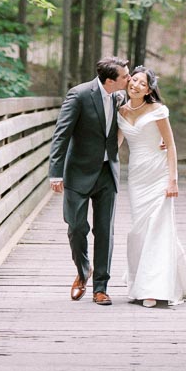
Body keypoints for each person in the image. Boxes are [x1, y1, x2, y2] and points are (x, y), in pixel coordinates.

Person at [117, 67, 186, 308]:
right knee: (139, 230)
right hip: (137, 175)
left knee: (159, 227)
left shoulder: (157, 111)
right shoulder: (120, 110)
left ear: (149, 90)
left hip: (159, 173)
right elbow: (115, 143)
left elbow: (172, 145)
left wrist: (172, 180)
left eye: (142, 84)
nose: (135, 85)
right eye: (133, 80)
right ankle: (142, 281)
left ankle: (152, 289)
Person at [49, 57, 130, 305]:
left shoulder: (121, 98)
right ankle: (83, 271)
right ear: (110, 80)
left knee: (105, 231)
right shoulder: (80, 95)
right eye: (125, 76)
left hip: (107, 172)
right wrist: (55, 171)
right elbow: (61, 134)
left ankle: (101, 288)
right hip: (78, 172)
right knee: (76, 227)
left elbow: (138, 121)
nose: (129, 79)